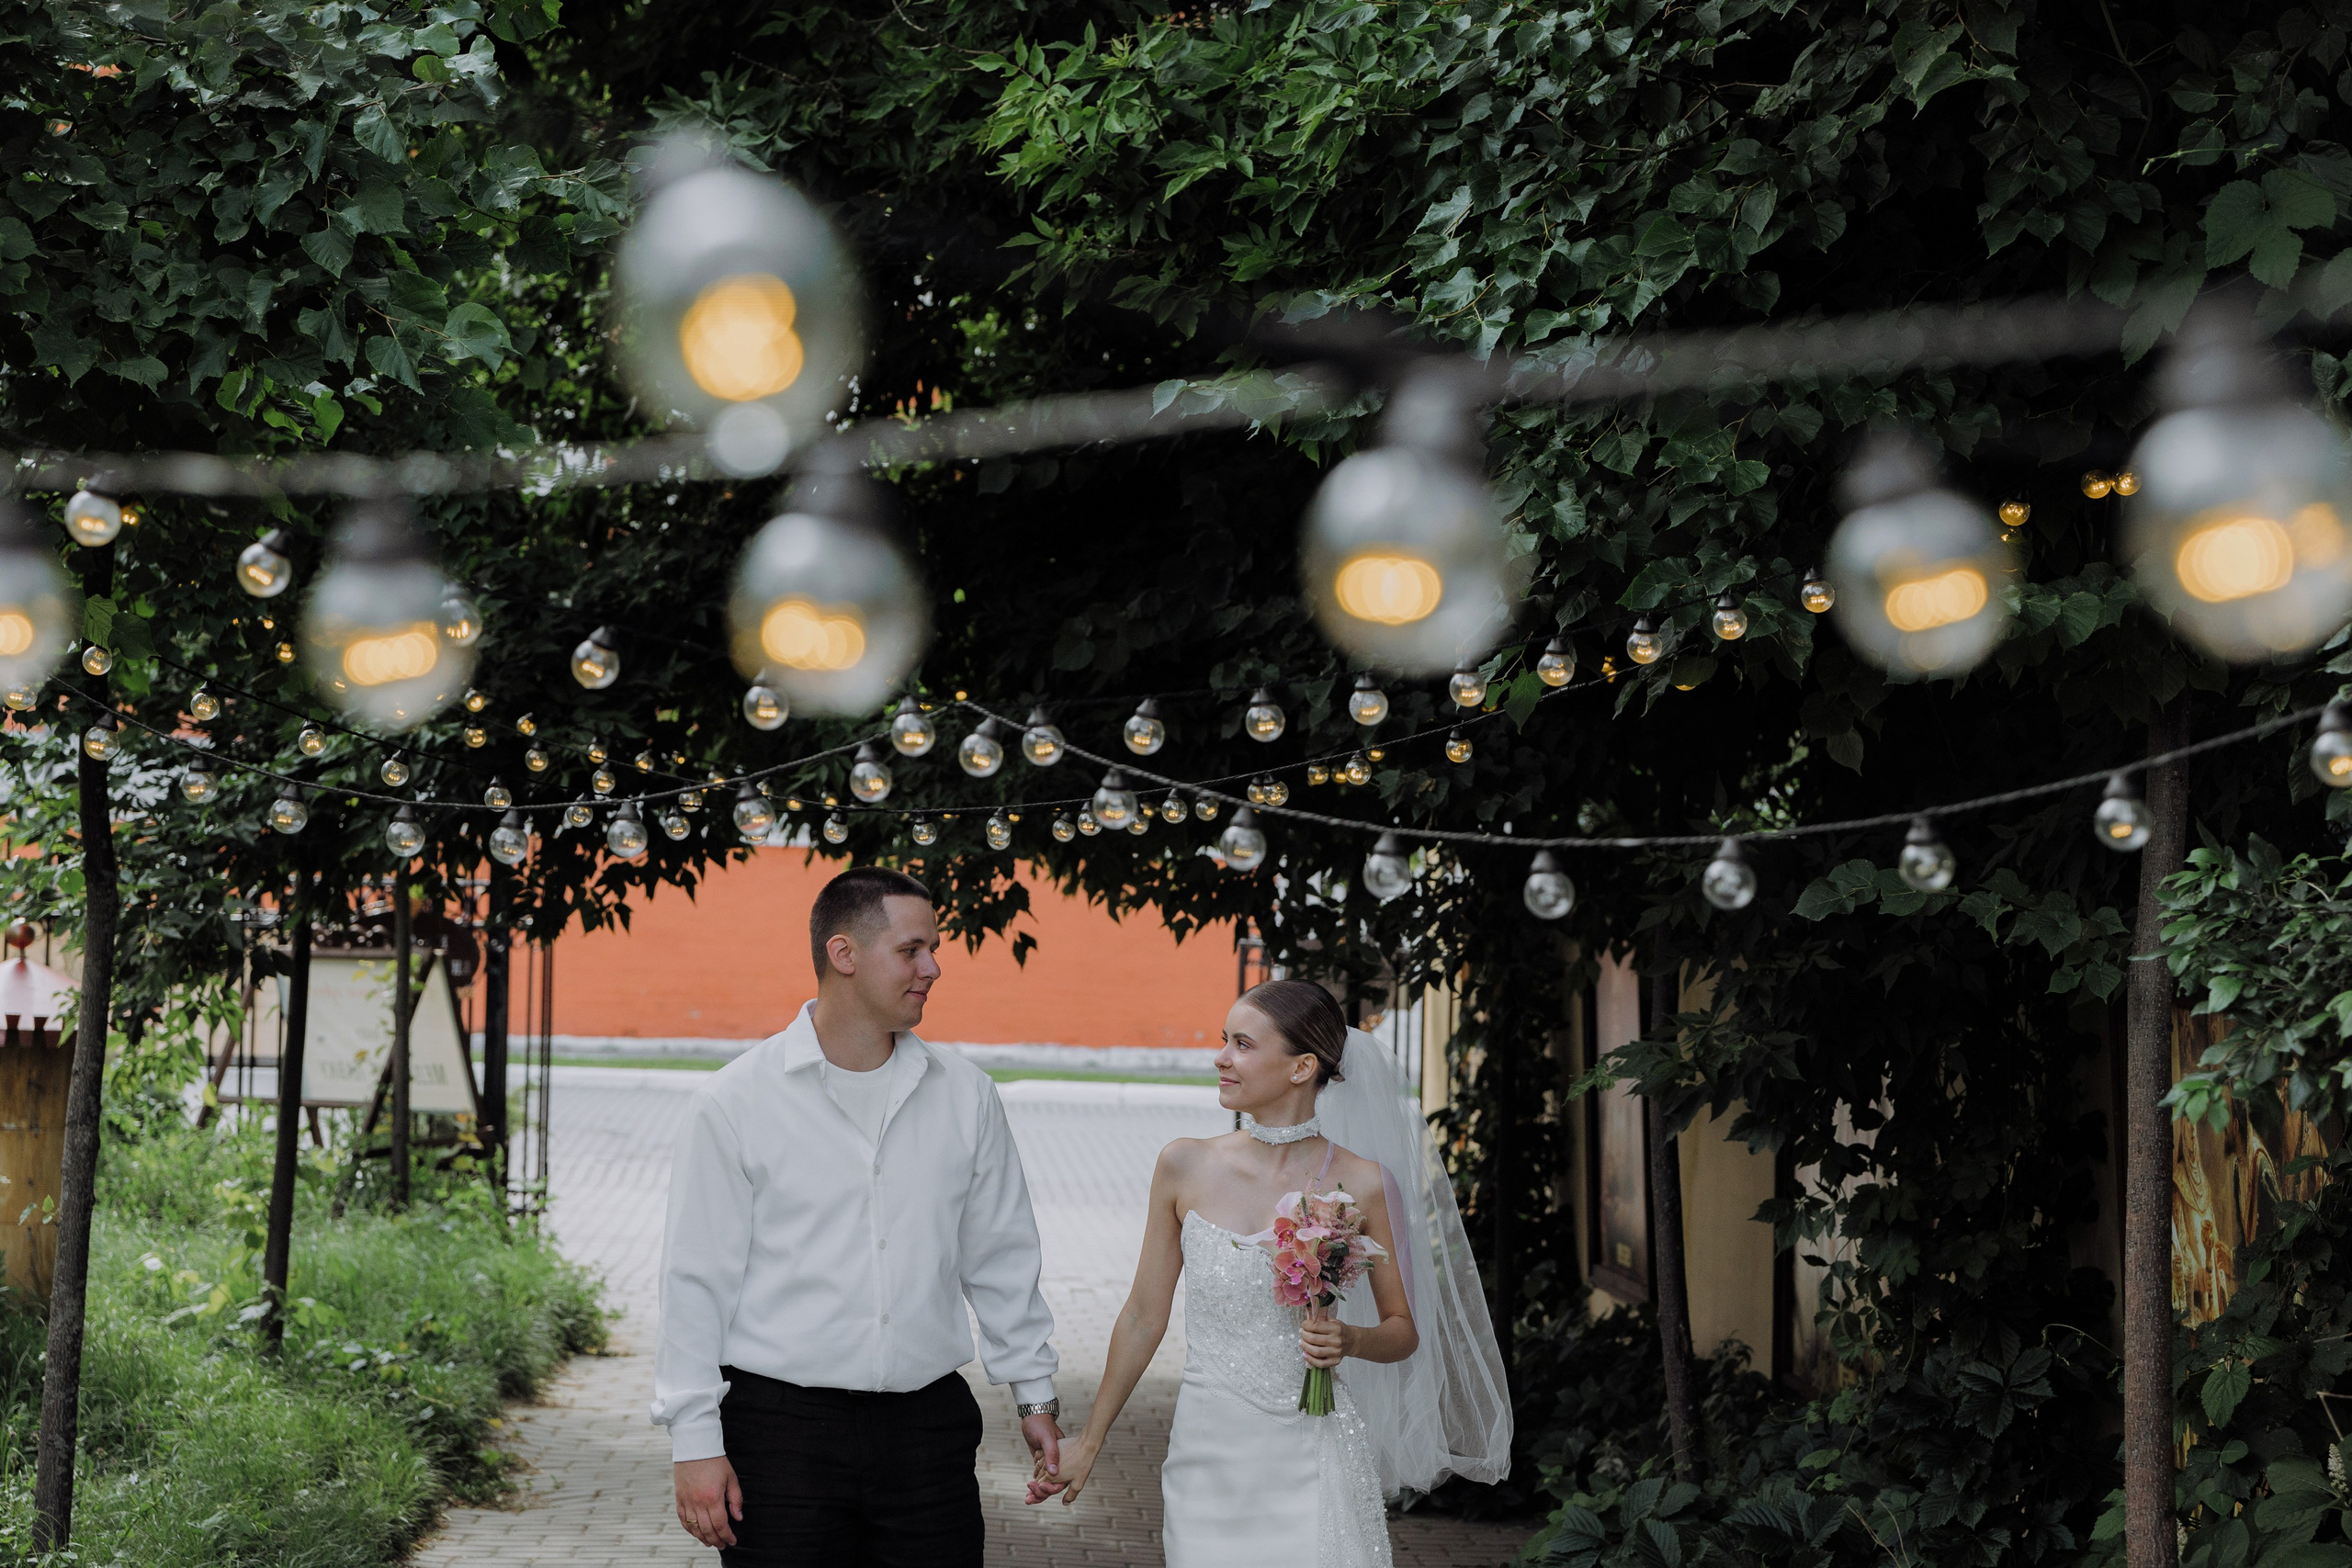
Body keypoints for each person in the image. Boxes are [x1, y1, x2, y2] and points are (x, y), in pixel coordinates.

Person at [651, 865, 1065, 1564]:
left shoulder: (966, 1096)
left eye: (933, 948)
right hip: (780, 1434)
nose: (933, 967)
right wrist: (695, 1442)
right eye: (911, 950)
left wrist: (1034, 1396)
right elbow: (695, 1283)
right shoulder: (734, 1103)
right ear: (844, 954)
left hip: (927, 1430)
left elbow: (1000, 1258)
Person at [1031, 978, 1513, 1567]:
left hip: (1313, 1452)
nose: (1220, 1058)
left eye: (1242, 1044)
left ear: (1301, 1067)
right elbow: (1141, 1316)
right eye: (1223, 1041)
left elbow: (1402, 1331)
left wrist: (1350, 1339)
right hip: (1207, 1459)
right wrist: (1090, 1439)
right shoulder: (1184, 1164)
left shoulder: (1365, 1183)